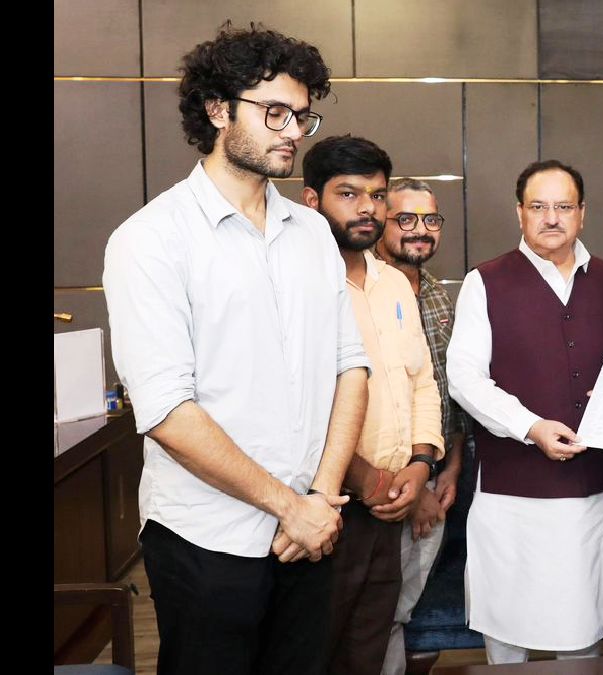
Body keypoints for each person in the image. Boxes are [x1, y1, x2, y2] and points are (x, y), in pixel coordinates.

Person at [102, 24, 368, 675]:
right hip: (206, 537)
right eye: (274, 112)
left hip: (310, 532)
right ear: (217, 109)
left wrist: (320, 498)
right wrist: (289, 505)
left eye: (302, 116)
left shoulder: (312, 233)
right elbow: (167, 412)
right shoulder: (151, 239)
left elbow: (351, 368)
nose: (293, 131)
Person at [446, 160, 603, 665]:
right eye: (538, 206)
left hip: (600, 494)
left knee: (587, 623)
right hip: (515, 497)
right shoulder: (485, 282)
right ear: (519, 213)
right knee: (507, 626)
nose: (551, 218)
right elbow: (464, 378)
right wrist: (531, 426)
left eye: (563, 206)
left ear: (582, 213)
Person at [300, 135, 444, 675]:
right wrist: (365, 480)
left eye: (378, 195)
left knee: (371, 643)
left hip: (393, 502)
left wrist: (421, 465)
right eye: (348, 194)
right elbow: (296, 405)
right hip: (327, 505)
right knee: (318, 648)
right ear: (311, 200)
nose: (368, 208)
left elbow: (422, 382)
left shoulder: (394, 285)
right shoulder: (299, 286)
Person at [374, 178, 473, 675]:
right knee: (377, 615)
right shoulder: (362, 291)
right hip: (385, 485)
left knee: (404, 611)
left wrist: (449, 469)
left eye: (431, 219)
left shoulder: (436, 294)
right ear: (380, 223)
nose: (420, 230)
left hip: (437, 477)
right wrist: (414, 490)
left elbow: (448, 392)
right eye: (406, 219)